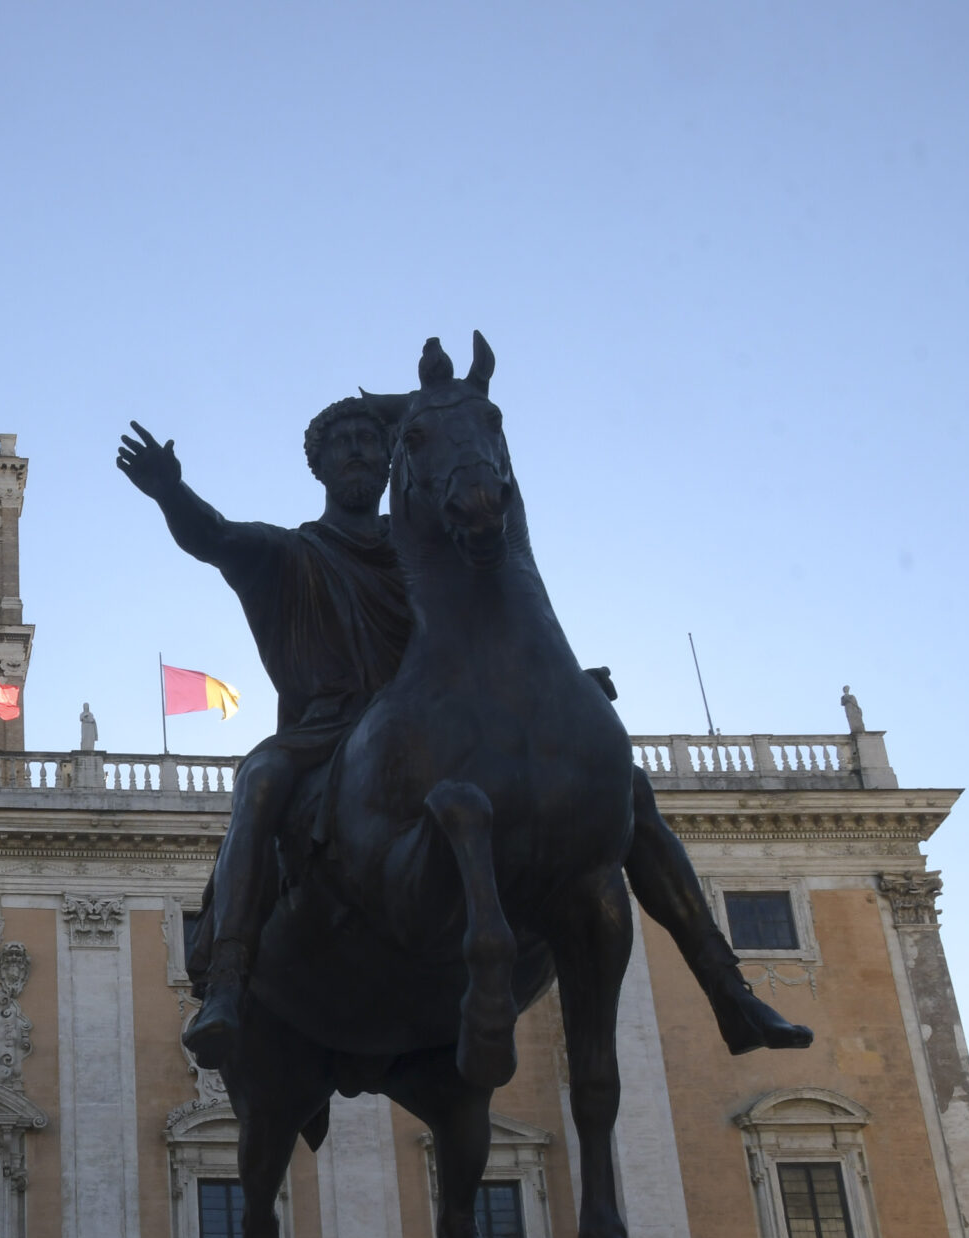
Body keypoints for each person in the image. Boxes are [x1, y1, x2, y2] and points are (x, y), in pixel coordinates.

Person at [119, 404, 810, 1069]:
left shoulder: (429, 550)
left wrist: (559, 681)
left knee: (626, 789)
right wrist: (170, 491)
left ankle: (727, 987)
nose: (357, 451)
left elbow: (502, 625)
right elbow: (214, 535)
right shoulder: (291, 552)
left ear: (391, 460)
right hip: (330, 729)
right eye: (341, 444)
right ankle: (229, 979)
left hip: (438, 725)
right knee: (260, 777)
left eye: (369, 440)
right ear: (319, 466)